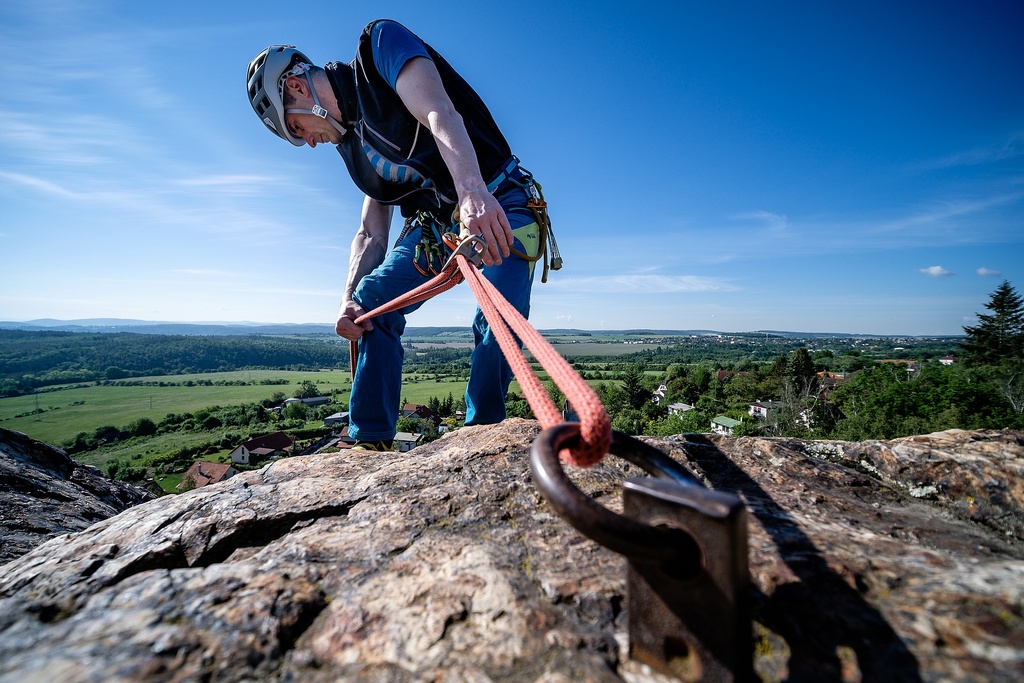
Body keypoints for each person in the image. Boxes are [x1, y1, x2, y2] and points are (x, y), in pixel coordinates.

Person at [246, 20, 555, 451]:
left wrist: (472, 192)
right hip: (433, 227)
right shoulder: (351, 149)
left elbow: (437, 112)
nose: (309, 143)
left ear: (297, 87)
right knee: (372, 305)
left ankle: (482, 435)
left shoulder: (379, 49)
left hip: (495, 194)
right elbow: (372, 233)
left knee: (501, 312)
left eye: (296, 129)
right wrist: (348, 300)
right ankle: (370, 441)